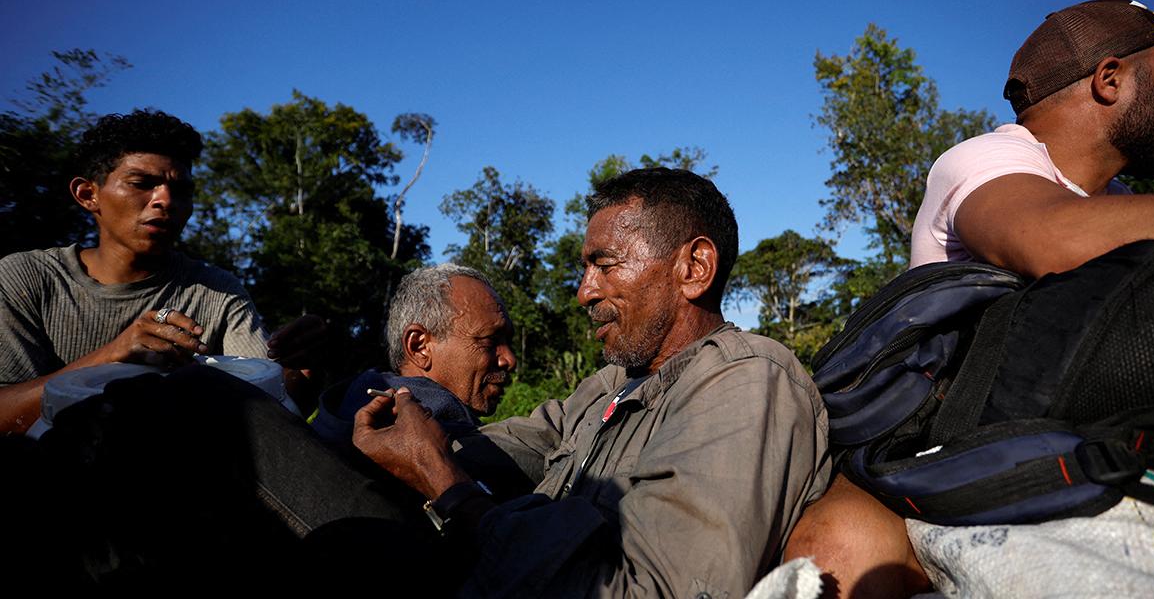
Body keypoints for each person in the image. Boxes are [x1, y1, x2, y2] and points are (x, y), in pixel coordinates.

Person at [786, 1, 1154, 597]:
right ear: (1110, 79)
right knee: (838, 546)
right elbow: (1050, 240)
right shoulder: (988, 157)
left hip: (1093, 430)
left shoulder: (1124, 204)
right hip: (954, 434)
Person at [353, 167, 832, 597]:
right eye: (586, 269)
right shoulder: (610, 386)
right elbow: (486, 448)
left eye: (604, 265)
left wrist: (448, 487)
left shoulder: (745, 383)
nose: (585, 292)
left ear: (694, 268)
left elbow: (655, 591)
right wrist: (386, 416)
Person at [0, 109, 324, 435]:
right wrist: (110, 358)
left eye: (181, 190)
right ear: (88, 195)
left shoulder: (218, 291)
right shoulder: (26, 277)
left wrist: (308, 366)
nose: (165, 200)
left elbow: (270, 404)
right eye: (141, 184)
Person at [309, 263, 516, 445]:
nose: (510, 360)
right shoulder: (454, 450)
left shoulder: (334, 420)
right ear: (419, 347)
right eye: (489, 340)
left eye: (508, 342)